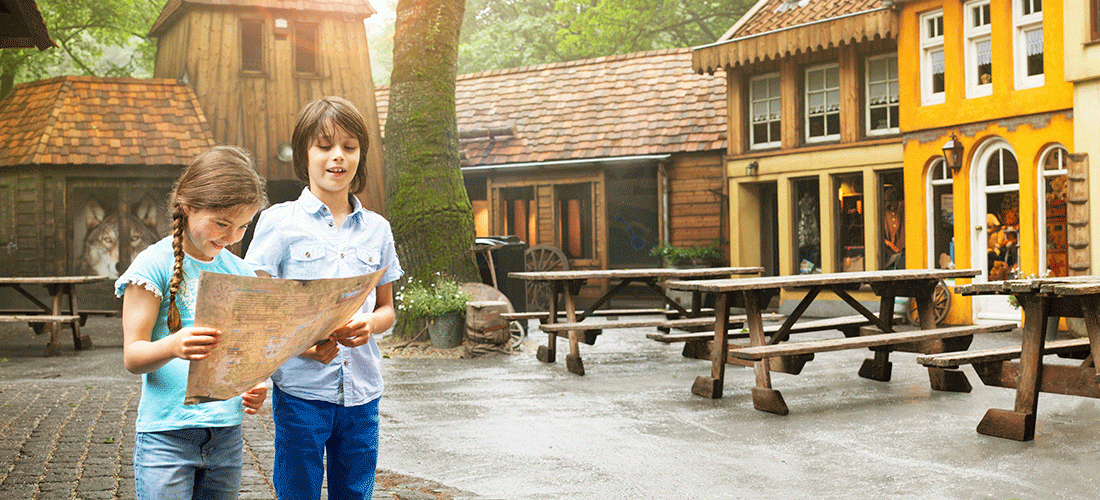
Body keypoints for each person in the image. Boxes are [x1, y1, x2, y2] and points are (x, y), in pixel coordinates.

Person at [245, 96, 403, 500]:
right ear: (305, 154)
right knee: (297, 492)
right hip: (301, 392)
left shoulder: (378, 229)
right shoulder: (277, 222)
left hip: (363, 392)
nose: (338, 157)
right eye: (325, 146)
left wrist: (370, 325)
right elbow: (257, 311)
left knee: (355, 493)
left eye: (349, 147)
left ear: (361, 155)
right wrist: (302, 344)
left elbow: (388, 311)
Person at [116, 145, 270, 499]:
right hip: (165, 437)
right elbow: (132, 356)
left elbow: (245, 352)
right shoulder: (152, 266)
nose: (231, 237)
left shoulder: (240, 272)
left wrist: (255, 384)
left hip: (225, 435)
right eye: (222, 223)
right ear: (187, 206)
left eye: (243, 226)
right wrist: (173, 345)